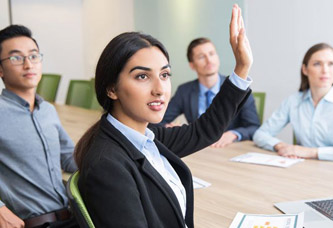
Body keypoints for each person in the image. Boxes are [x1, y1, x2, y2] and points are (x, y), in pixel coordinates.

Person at [75, 4, 252, 227]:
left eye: (165, 74)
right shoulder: (108, 165)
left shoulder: (145, 139)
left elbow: (204, 131)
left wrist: (241, 68)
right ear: (111, 89)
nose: (160, 89)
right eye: (142, 76)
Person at [0, 25, 78, 228]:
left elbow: (69, 158)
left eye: (33, 56)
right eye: (16, 58)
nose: (28, 64)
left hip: (71, 217)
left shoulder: (48, 111)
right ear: (0, 69)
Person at [253, 43, 333, 162]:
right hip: (302, 169)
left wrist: (310, 152)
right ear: (305, 69)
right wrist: (281, 146)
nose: (325, 70)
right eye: (317, 64)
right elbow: (260, 134)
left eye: (331, 64)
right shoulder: (293, 101)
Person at [159, 37, 260, 147]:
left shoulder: (238, 88)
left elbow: (254, 127)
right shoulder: (184, 91)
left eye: (212, 54)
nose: (209, 60)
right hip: (199, 150)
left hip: (229, 149)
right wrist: (168, 128)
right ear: (192, 65)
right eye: (201, 56)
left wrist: (233, 134)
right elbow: (159, 120)